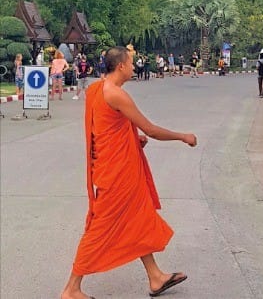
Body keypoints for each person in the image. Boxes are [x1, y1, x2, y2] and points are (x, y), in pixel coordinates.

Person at [61, 46, 197, 299]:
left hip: (113, 166)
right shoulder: (116, 94)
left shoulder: (95, 90)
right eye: (131, 63)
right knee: (99, 228)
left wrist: (133, 138)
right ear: (121, 66)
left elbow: (103, 129)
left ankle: (155, 277)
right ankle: (71, 289)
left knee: (137, 219)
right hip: (116, 174)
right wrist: (183, 136)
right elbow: (152, 129)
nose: (134, 68)